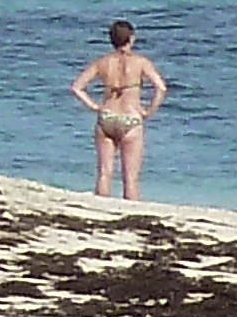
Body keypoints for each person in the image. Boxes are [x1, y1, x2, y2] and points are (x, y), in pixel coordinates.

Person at [71, 20, 169, 200]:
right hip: (131, 119)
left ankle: (101, 211)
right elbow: (161, 88)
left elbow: (77, 87)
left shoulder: (103, 62)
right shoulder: (141, 62)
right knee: (131, 179)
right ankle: (132, 215)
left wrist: (94, 106)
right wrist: (149, 111)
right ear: (131, 39)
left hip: (106, 117)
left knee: (104, 173)